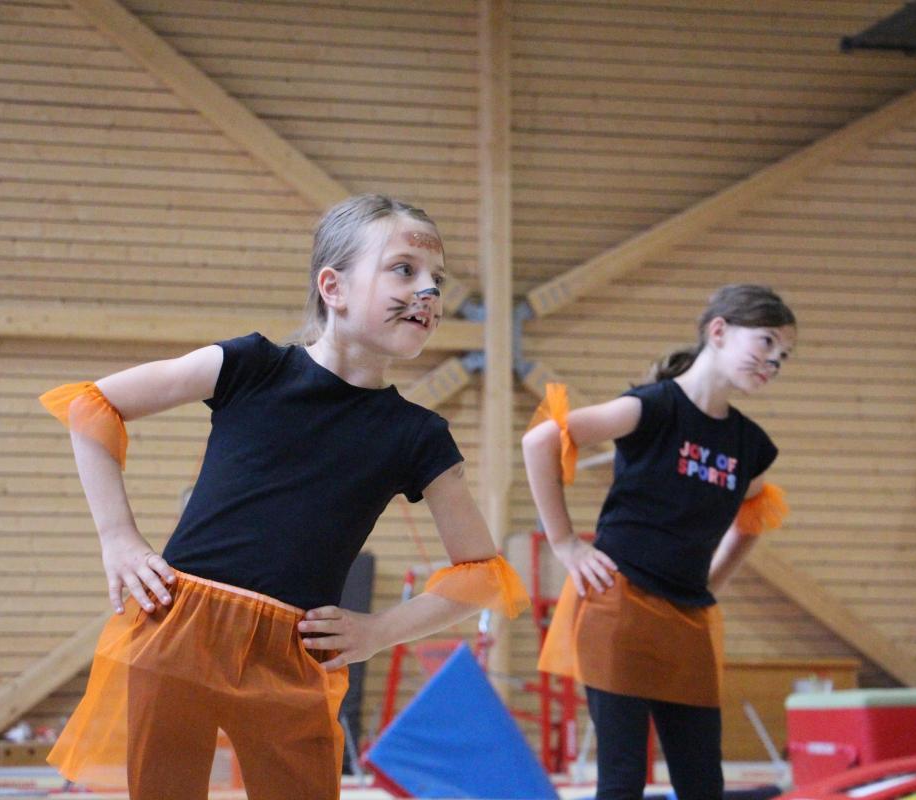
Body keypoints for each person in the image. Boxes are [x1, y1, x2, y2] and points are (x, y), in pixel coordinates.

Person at [40, 194, 528, 799]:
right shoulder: (250, 366)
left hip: (295, 653)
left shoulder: (418, 436)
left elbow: (481, 573)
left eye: (438, 279)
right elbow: (93, 405)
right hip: (180, 629)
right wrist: (118, 539)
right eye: (404, 270)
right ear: (334, 287)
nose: (428, 291)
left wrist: (378, 631)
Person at [522, 284, 796, 800]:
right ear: (719, 331)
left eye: (783, 356)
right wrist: (565, 544)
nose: (774, 362)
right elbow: (541, 440)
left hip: (687, 619)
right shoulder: (653, 408)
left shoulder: (748, 444)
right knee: (623, 780)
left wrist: (712, 580)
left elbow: (754, 516)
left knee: (702, 786)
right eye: (766, 343)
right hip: (620, 606)